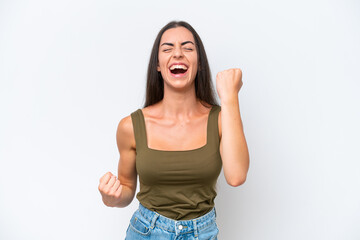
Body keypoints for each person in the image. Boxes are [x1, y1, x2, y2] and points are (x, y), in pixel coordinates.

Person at [98, 20, 249, 239]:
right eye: (167, 48)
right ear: (158, 65)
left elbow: (236, 176)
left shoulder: (220, 119)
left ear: (199, 64)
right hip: (146, 232)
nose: (177, 54)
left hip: (202, 233)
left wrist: (230, 97)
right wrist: (112, 198)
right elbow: (128, 187)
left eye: (188, 48)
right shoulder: (130, 126)